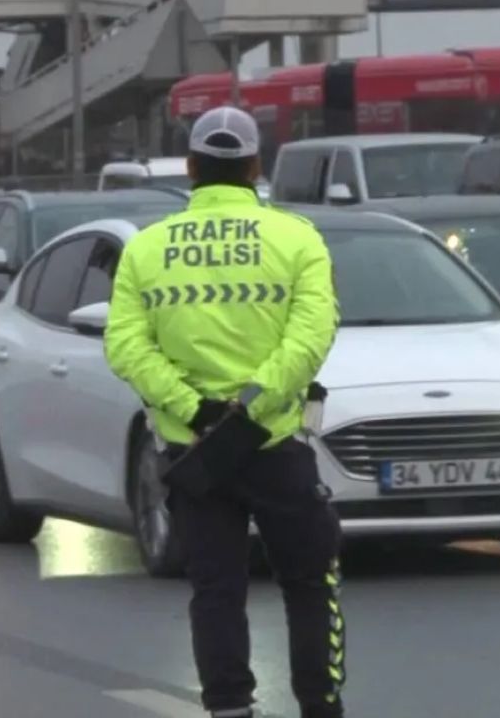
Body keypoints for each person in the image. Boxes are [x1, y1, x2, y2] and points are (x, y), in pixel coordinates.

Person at [103, 106, 345, 718]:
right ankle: (320, 706)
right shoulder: (297, 239)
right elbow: (313, 336)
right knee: (311, 584)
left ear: (190, 168)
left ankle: (230, 710)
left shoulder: (146, 249)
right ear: (256, 166)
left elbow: (126, 346)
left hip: (195, 455)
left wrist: (197, 408)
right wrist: (252, 405)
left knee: (216, 592)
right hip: (275, 445)